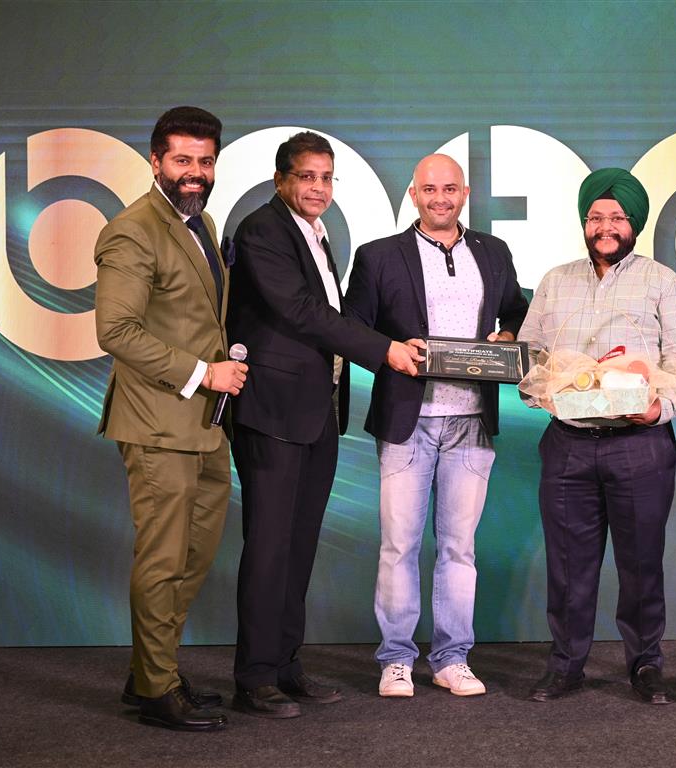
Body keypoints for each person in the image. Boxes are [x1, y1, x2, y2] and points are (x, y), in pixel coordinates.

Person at [227, 131, 424, 719]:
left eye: (327, 177)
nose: (318, 188)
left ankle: (286, 666)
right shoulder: (263, 230)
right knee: (269, 548)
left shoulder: (314, 232)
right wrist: (385, 350)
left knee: (299, 546)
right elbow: (302, 312)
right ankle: (255, 677)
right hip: (273, 413)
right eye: (307, 176)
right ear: (281, 179)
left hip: (315, 414)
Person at [344, 154, 528, 698]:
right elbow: (350, 327)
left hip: (472, 421)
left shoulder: (493, 251)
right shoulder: (378, 256)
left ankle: (452, 658)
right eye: (429, 188)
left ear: (465, 193)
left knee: (459, 548)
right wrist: (390, 349)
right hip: (407, 422)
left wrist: (507, 336)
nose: (440, 197)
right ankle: (396, 660)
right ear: (413, 194)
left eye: (450, 188)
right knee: (398, 546)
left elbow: (518, 310)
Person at [518, 168, 676, 704]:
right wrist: (543, 392)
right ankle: (566, 664)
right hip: (568, 443)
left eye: (617, 217)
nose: (606, 227)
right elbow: (530, 354)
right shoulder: (556, 281)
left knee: (641, 562)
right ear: (584, 222)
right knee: (568, 566)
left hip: (639, 445)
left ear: (634, 223)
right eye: (596, 217)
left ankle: (646, 665)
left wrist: (659, 406)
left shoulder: (662, 281)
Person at [95, 106, 246, 732]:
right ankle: (157, 689)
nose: (195, 172)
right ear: (155, 160)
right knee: (162, 562)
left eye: (205, 161)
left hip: (205, 426)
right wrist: (203, 373)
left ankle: (149, 672)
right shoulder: (133, 232)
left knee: (193, 556)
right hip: (157, 423)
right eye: (182, 160)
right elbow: (116, 330)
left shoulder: (201, 220)